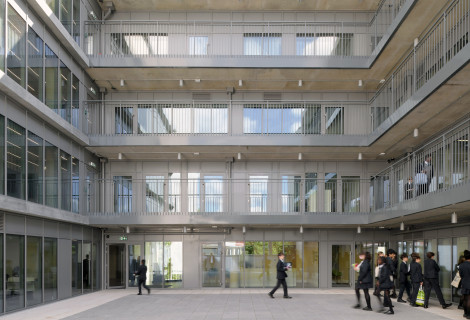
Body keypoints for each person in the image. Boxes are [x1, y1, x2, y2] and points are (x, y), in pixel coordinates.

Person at [459, 250, 470, 319]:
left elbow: (461, 275)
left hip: (464, 283)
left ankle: (465, 313)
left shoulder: (461, 265)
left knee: (465, 299)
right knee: (469, 299)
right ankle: (469, 315)